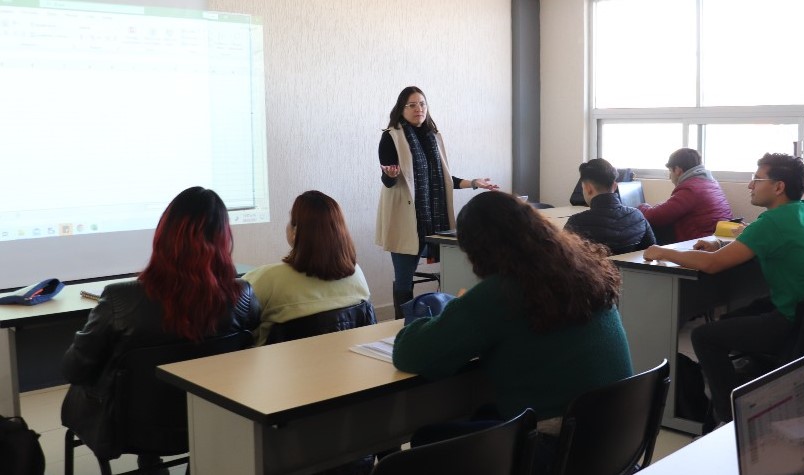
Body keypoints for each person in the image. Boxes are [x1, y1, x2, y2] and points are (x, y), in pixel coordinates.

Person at [394, 191, 633, 472]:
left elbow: (410, 354)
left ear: (480, 251)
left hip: (559, 451)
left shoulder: (501, 293)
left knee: (427, 440)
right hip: (616, 438)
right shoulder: (586, 270)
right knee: (484, 412)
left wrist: (447, 310)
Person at [60, 187, 261, 471]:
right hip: (209, 418)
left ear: (164, 236)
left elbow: (74, 370)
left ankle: (150, 460)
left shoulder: (119, 299)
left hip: (128, 428)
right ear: (223, 238)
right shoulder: (243, 297)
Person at [643, 153, 804, 423]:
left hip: (794, 320)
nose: (750, 185)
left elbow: (712, 265)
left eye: (757, 179)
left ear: (778, 187)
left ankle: (730, 417)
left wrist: (663, 252)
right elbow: (756, 239)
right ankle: (741, 395)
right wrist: (720, 244)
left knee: (704, 337)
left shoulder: (773, 222)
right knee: (730, 320)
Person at [375, 86, 499, 319]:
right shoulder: (391, 137)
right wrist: (390, 175)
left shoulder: (434, 137)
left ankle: (444, 320)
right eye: (412, 105)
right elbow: (389, 181)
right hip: (405, 219)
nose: (419, 109)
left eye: (422, 104)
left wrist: (474, 183)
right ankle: (403, 325)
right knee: (404, 281)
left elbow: (444, 180)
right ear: (401, 109)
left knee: (453, 267)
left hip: (435, 220)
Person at [243, 191, 371, 346]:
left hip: (279, 362)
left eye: (290, 219)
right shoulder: (357, 274)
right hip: (343, 360)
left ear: (295, 232)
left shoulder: (267, 279)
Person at [638, 148, 733, 243]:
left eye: (670, 171)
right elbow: (669, 209)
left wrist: (641, 207)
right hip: (716, 239)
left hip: (701, 243)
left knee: (648, 225)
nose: (670, 176)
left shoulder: (690, 189)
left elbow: (655, 216)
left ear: (677, 170)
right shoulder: (710, 183)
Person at [564, 158, 655, 253]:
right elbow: (652, 251)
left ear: (588, 188)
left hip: (595, 263)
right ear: (615, 186)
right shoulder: (637, 216)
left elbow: (563, 256)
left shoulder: (576, 223)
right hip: (630, 264)